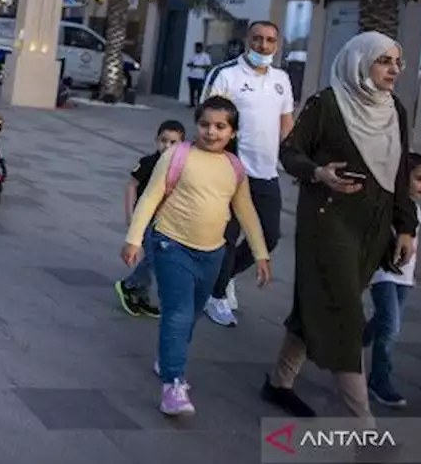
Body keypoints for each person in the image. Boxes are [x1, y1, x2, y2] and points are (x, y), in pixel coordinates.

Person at [263, 31, 419, 421]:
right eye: (385, 61)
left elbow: (399, 173)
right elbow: (288, 151)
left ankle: (279, 384)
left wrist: (405, 227)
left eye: (397, 62)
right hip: (328, 221)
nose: (394, 69)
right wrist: (318, 172)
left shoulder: (395, 109)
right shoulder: (328, 103)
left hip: (372, 228)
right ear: (360, 61)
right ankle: (364, 424)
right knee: (346, 315)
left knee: (317, 302)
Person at [123, 96, 271, 416]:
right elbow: (150, 197)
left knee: (191, 315)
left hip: (212, 254)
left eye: (220, 127)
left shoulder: (234, 167)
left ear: (232, 132)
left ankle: (168, 356)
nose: (211, 132)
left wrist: (260, 254)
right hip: (170, 245)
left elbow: (246, 211)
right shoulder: (177, 155)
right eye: (205, 124)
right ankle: (173, 384)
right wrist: (134, 239)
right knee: (177, 312)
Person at [200, 21, 294, 327]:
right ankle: (215, 296)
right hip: (232, 171)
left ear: (277, 45)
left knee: (268, 237)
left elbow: (286, 125)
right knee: (228, 237)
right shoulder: (226, 74)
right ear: (246, 41)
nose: (263, 46)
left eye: (269, 40)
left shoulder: (282, 79)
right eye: (257, 39)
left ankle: (222, 278)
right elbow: (207, 121)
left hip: (267, 175)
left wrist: (294, 161)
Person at [363, 152, 421, 408]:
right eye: (419, 179)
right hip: (384, 273)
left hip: (405, 276)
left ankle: (347, 346)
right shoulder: (391, 205)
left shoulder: (415, 207)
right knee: (391, 327)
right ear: (404, 178)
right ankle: (379, 381)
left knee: (382, 321)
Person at [114, 119, 187, 319]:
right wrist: (130, 217)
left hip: (166, 222)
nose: (167, 146)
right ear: (156, 140)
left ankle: (141, 295)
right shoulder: (149, 162)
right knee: (155, 259)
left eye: (174, 143)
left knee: (157, 259)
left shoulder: (182, 167)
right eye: (163, 141)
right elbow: (131, 186)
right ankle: (129, 285)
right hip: (146, 219)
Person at [185, 42, 212, 108]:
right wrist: (192, 65)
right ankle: (192, 103)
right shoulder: (193, 55)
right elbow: (188, 64)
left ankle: (199, 105)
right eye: (195, 48)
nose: (196, 49)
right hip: (192, 75)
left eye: (197, 48)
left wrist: (197, 66)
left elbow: (208, 66)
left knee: (200, 91)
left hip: (200, 76)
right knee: (192, 91)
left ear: (201, 48)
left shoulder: (205, 56)